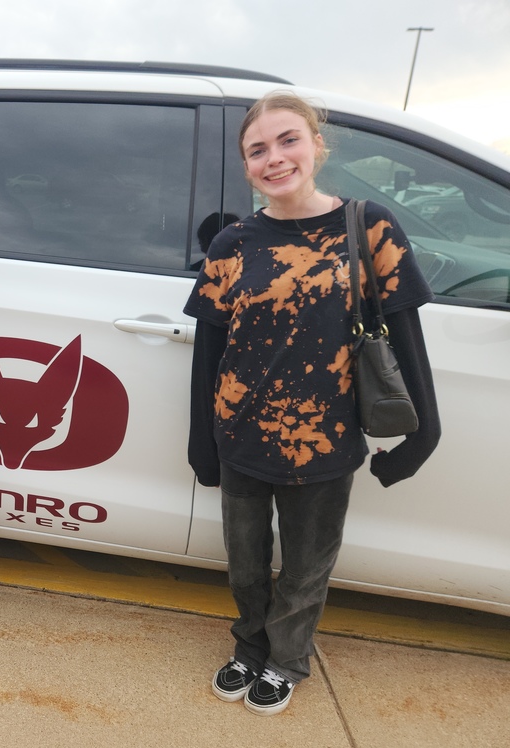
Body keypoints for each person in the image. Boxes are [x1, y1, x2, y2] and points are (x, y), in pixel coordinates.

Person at [184, 91, 440, 715]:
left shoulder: (368, 225)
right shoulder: (232, 245)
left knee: (305, 567)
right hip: (241, 436)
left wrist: (424, 433)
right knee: (246, 564)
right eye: (257, 149)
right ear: (246, 164)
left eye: (288, 140)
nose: (275, 158)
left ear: (317, 145)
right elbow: (208, 352)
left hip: (326, 441)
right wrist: (201, 440)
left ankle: (287, 659)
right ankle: (249, 646)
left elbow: (405, 335)